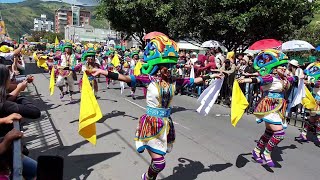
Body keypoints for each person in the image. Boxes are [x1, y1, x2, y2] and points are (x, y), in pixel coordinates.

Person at [91, 35, 223, 180]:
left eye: (172, 66)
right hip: (151, 124)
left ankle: (149, 178)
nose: (170, 69)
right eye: (167, 66)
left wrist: (210, 76)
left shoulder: (175, 82)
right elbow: (127, 78)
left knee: (158, 161)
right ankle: (147, 177)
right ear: (159, 67)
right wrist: (104, 72)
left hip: (165, 124)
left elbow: (193, 81)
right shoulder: (149, 80)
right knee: (160, 163)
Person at [238, 50, 302, 167]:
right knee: (279, 133)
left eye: (284, 66)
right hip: (269, 107)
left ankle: (257, 151)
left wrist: (301, 76)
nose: (283, 68)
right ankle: (267, 153)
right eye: (280, 67)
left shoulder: (286, 79)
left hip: (279, 109)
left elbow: (296, 79)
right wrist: (245, 80)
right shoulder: (271, 78)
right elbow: (258, 80)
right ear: (274, 69)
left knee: (269, 132)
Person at [299, 61, 320, 142]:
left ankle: (304, 133)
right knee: (314, 118)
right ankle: (316, 135)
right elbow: (311, 81)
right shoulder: (315, 67)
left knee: (313, 119)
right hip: (317, 99)